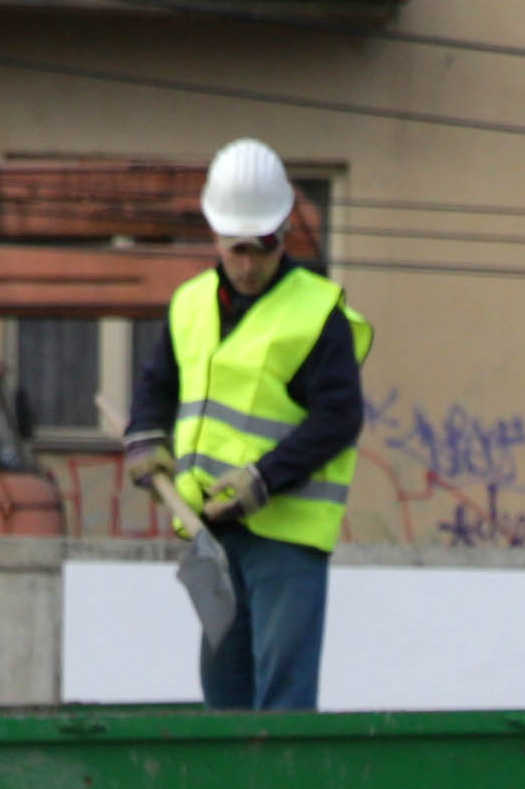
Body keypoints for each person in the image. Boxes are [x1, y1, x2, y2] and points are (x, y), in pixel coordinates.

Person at [131, 137, 365, 714]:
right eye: (237, 248)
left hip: (285, 538)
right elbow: (158, 386)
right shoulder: (189, 305)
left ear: (283, 234)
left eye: (261, 248)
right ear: (215, 236)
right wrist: (146, 437)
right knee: (224, 697)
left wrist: (263, 478)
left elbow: (339, 417)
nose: (248, 262)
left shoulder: (316, 315)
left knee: (282, 701)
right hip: (212, 535)